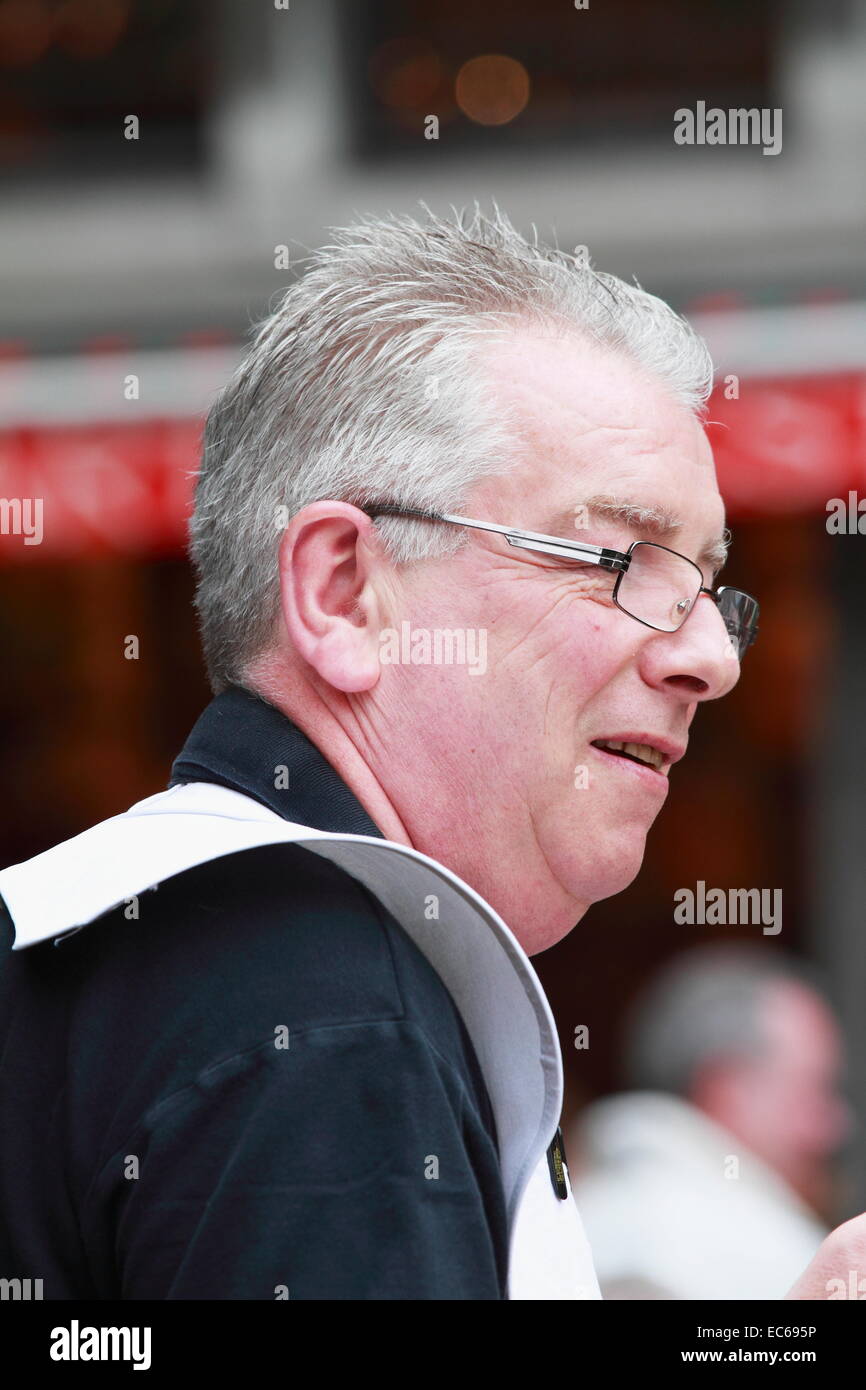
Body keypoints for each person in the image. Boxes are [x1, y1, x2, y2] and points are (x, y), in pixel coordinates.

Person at [0, 207, 857, 1299]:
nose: (708, 658)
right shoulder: (318, 996)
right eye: (621, 560)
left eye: (703, 582)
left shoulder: (172, 950)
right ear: (344, 592)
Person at [571, 945, 850, 1298]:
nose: (834, 1126)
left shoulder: (592, 1215)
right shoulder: (673, 1245)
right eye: (814, 1091)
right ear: (725, 1090)